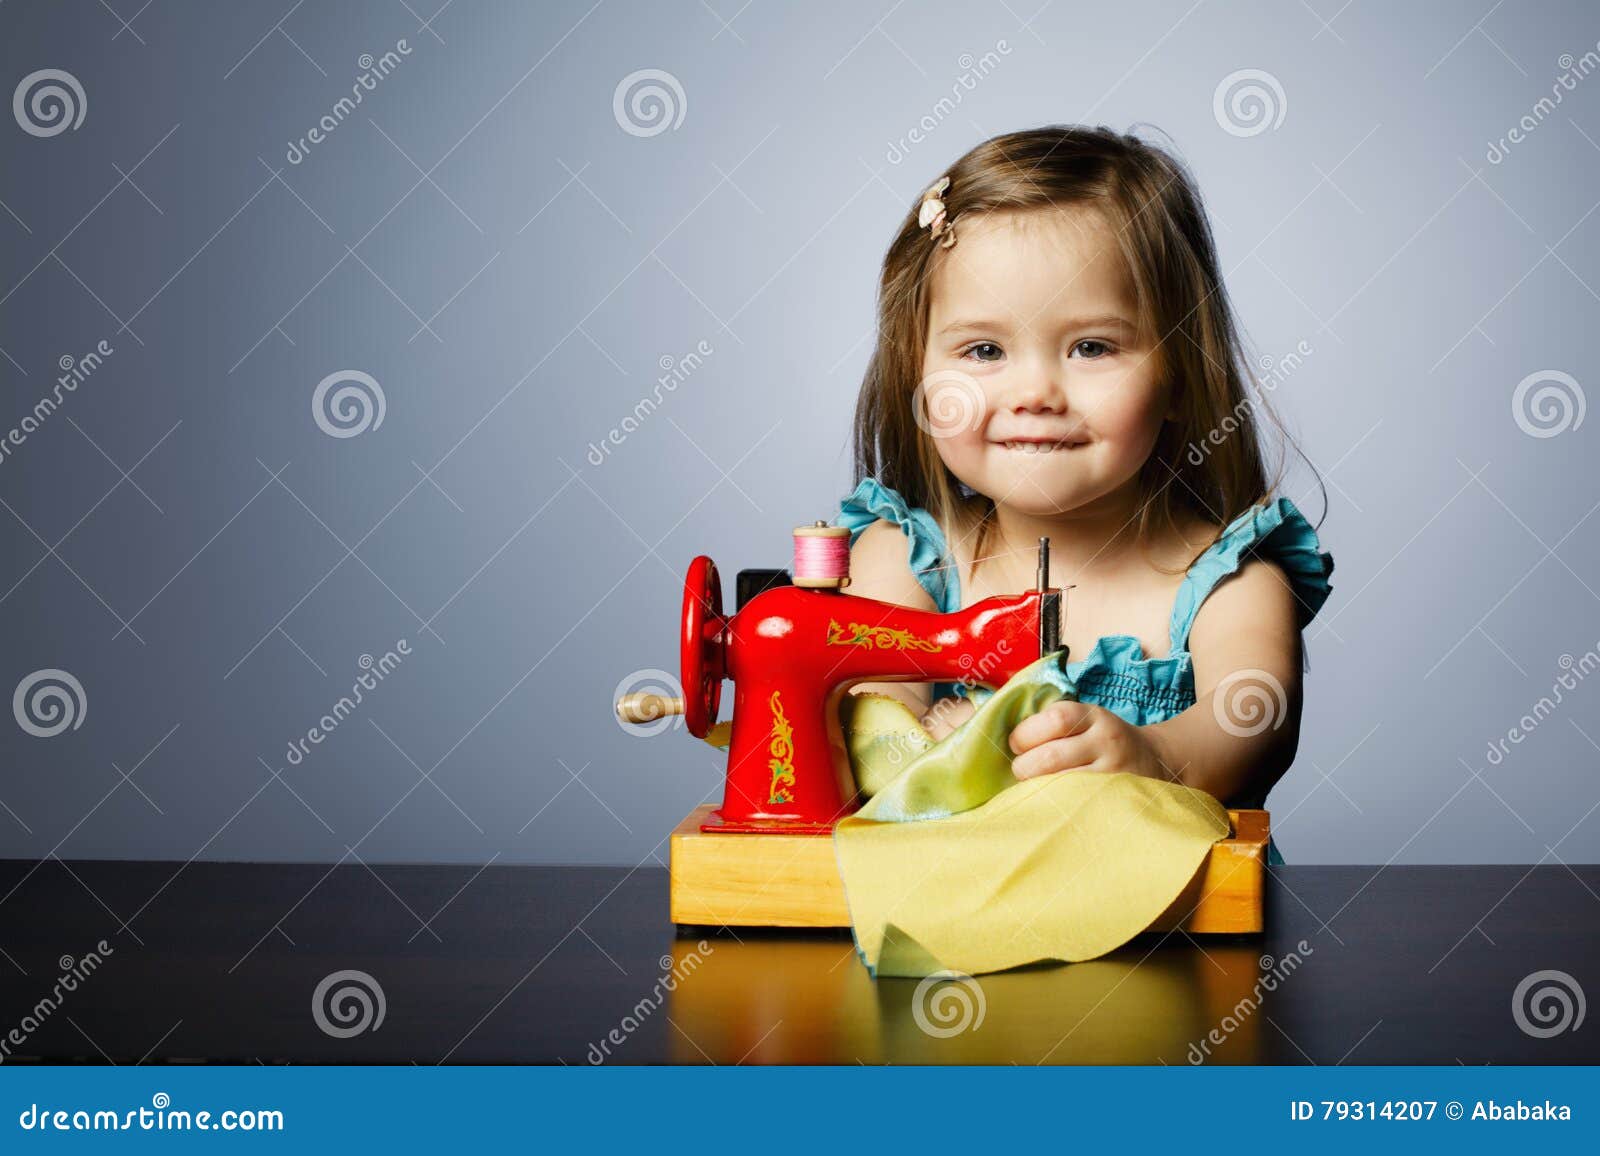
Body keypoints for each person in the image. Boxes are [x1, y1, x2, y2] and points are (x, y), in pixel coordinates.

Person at [837, 126, 1334, 859]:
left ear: (1179, 373)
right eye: (983, 350)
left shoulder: (1231, 584)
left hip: (1172, 942)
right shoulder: (904, 564)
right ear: (919, 373)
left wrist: (1155, 761)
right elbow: (874, 739)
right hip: (945, 932)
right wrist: (903, 740)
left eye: (1092, 347)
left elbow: (1252, 720)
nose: (1035, 392)